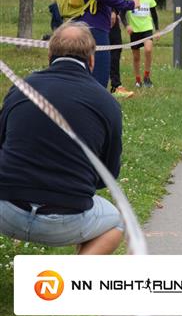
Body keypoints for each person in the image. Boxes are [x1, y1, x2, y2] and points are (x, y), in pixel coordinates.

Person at [0, 22, 124, 255]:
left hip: (7, 207)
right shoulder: (107, 103)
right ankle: (74, 274)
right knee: (117, 222)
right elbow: (108, 173)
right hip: (67, 217)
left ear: (49, 54)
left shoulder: (21, 88)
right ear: (92, 60)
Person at [124, 0, 159, 88]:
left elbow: (154, 15)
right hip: (134, 31)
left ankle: (147, 77)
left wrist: (157, 30)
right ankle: (138, 80)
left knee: (148, 50)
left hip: (147, 29)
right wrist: (126, 25)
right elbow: (122, 13)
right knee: (136, 57)